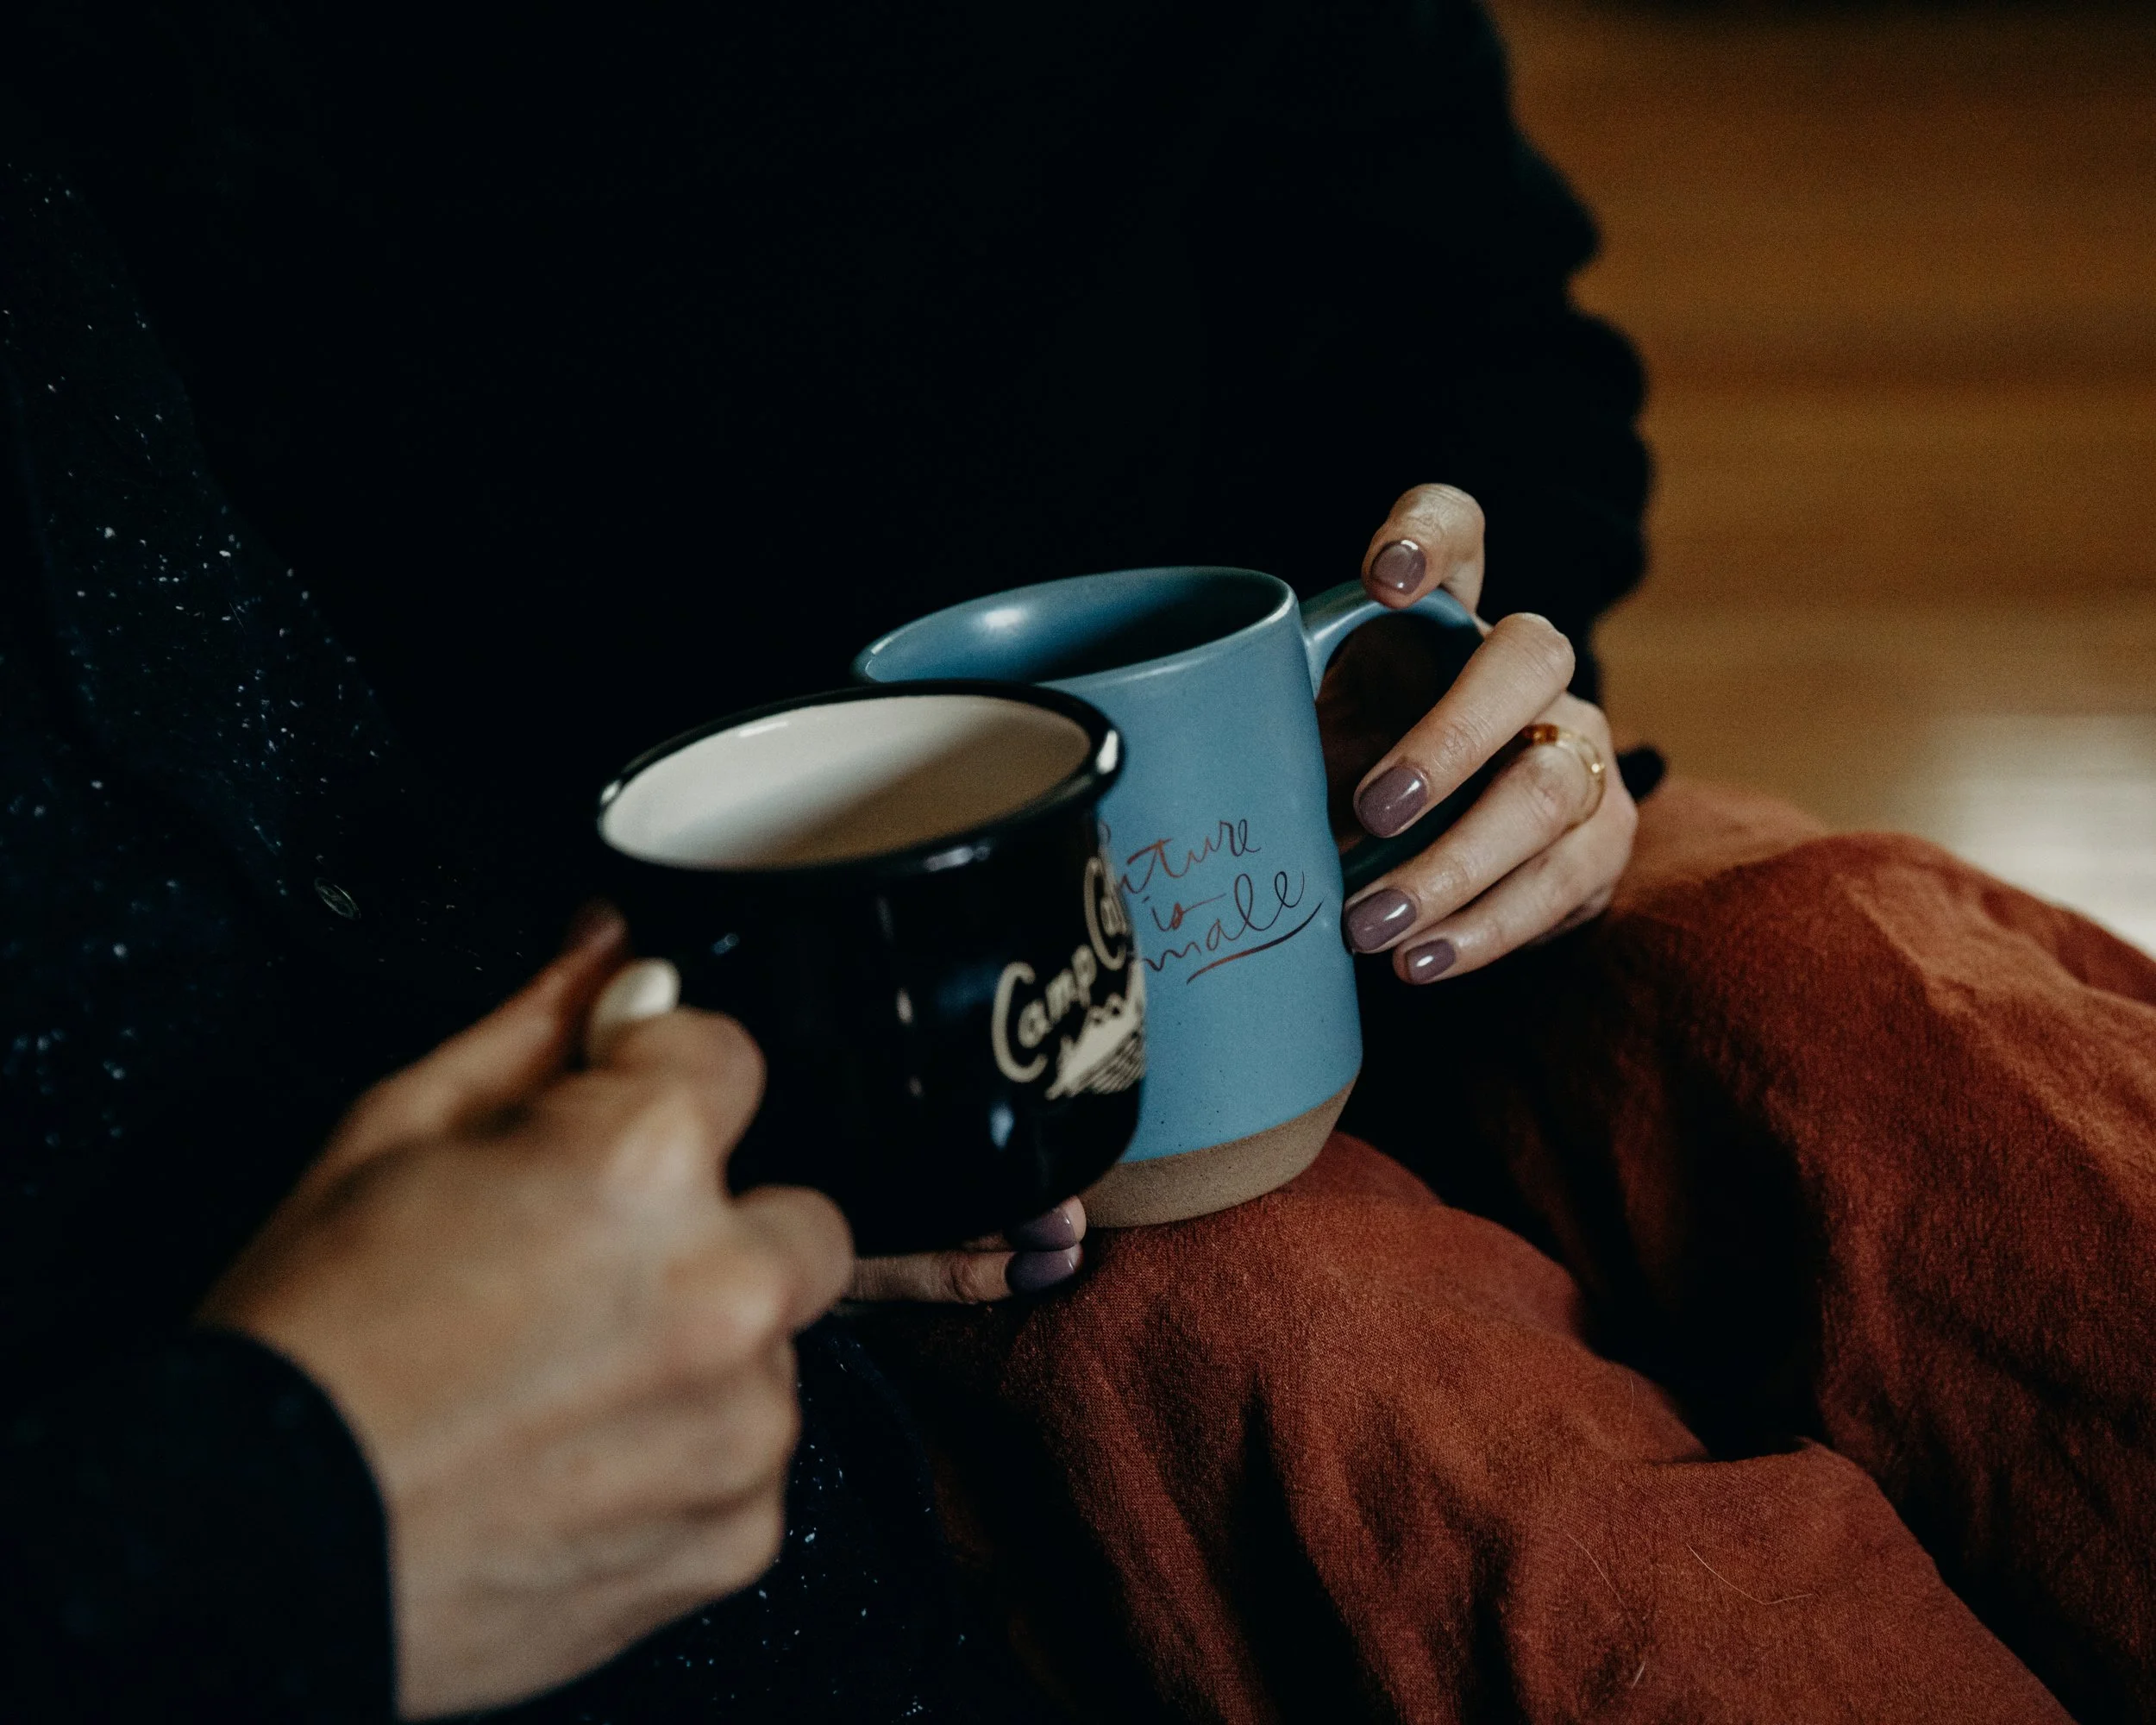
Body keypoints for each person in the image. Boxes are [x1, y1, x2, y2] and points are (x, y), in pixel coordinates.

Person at [0, 0, 1656, 1716]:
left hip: (1328, 950)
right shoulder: (159, 114)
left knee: (1811, 1007)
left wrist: (1472, 712)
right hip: (730, 1155)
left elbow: (1485, 345)